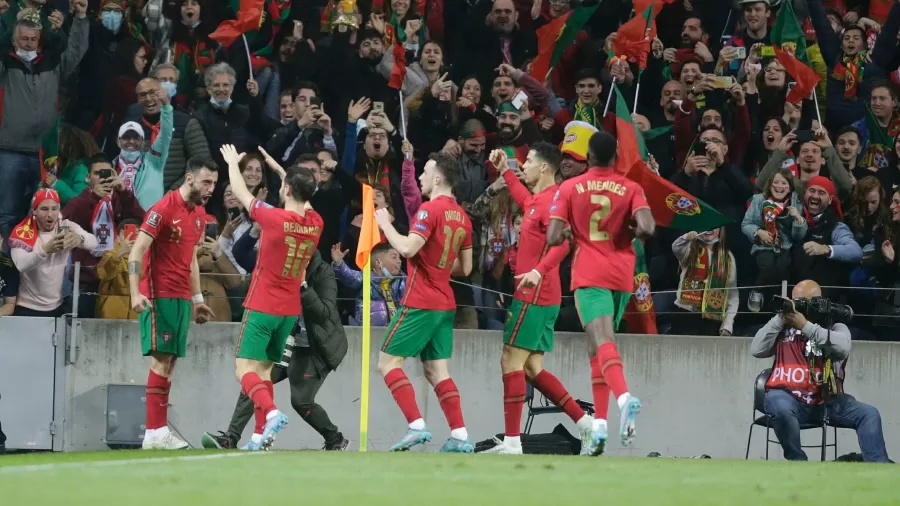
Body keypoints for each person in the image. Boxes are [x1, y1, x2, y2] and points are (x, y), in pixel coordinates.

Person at [546, 131, 655, 456]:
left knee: (602, 340)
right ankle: (600, 428)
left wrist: (569, 232)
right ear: (614, 157)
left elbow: (552, 237)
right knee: (597, 350)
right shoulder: (631, 188)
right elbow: (647, 227)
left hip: (590, 271)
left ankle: (625, 399)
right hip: (622, 273)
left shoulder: (570, 187)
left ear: (589, 157)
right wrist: (631, 231)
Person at [482, 143, 593, 455]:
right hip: (541, 295)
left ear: (544, 167)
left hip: (534, 294)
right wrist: (504, 169)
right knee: (532, 368)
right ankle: (587, 424)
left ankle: (513, 442)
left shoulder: (553, 201)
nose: (524, 165)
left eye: (528, 161)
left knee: (510, 360)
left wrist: (538, 270)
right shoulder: (538, 199)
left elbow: (564, 243)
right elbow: (524, 199)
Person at [218, 143, 323, 450]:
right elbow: (306, 198)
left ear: (287, 190)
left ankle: (272, 413)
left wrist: (231, 163)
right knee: (264, 370)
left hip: (263, 304)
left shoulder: (273, 218)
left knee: (244, 370)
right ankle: (259, 436)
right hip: (289, 310)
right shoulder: (316, 223)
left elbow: (241, 192)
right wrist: (281, 171)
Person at [373, 151, 475, 453]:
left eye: (425, 172)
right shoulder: (463, 217)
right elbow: (466, 268)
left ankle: (416, 425)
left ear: (438, 178)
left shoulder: (429, 210)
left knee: (387, 363)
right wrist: (437, 265)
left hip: (421, 300)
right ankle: (459, 435)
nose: (420, 176)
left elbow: (407, 248)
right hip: (445, 303)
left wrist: (385, 223)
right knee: (436, 372)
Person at [200, 248, 350, 451]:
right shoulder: (281, 264)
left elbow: (325, 313)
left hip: (315, 345)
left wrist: (303, 287)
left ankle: (335, 439)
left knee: (301, 402)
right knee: (255, 379)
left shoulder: (323, 272)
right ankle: (232, 438)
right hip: (286, 337)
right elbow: (244, 263)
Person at [127, 157, 218, 450]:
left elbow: (191, 259)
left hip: (180, 297)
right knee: (161, 360)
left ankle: (157, 432)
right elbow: (136, 252)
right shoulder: (162, 209)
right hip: (158, 294)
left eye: (214, 183)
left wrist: (197, 300)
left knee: (171, 362)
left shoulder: (199, 215)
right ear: (189, 179)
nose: (211, 188)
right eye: (206, 182)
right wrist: (134, 293)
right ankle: (154, 432)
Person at [751, 280, 890, 463]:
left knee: (869, 414)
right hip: (788, 397)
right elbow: (756, 349)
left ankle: (878, 466)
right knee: (780, 406)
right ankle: (798, 463)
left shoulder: (833, 326)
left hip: (826, 401)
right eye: (795, 301)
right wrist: (780, 318)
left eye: (803, 302)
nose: (798, 307)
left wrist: (805, 326)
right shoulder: (782, 328)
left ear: (819, 302)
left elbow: (842, 347)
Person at [9, 189, 98, 317]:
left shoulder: (65, 226)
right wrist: (45, 250)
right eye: (44, 209)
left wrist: (80, 239)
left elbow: (94, 243)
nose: (50, 214)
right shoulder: (22, 232)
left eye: (54, 209)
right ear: (34, 210)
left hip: (58, 306)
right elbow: (21, 265)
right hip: (27, 306)